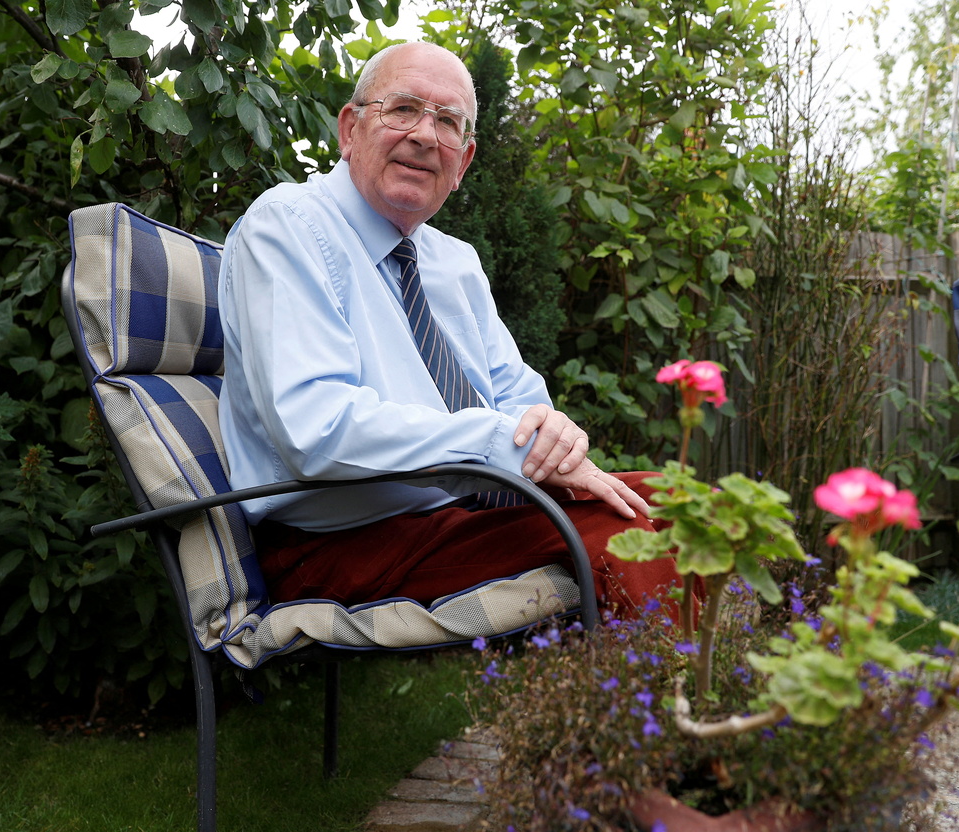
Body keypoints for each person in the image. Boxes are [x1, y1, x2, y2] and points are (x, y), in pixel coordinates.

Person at [217, 41, 681, 616]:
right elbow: (316, 429)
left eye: (447, 122)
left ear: (462, 163)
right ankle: (665, 675)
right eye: (403, 109)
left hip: (460, 518)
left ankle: (712, 667)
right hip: (339, 543)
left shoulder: (454, 261)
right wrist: (492, 447)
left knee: (682, 507)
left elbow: (517, 397)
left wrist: (552, 444)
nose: (424, 135)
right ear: (350, 129)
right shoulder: (286, 228)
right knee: (624, 537)